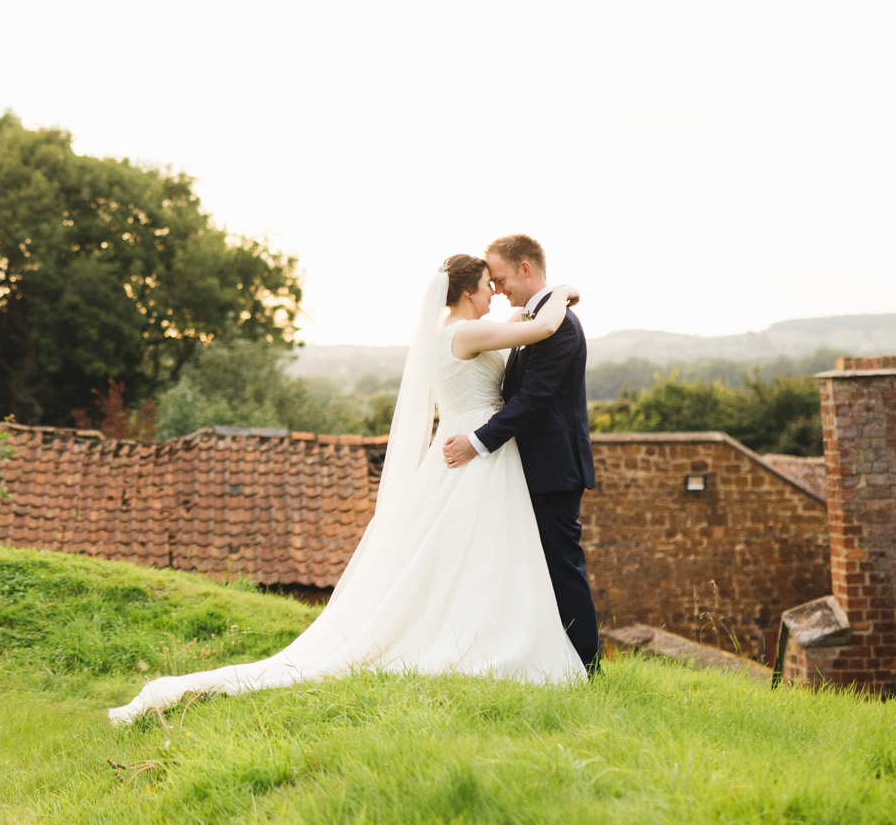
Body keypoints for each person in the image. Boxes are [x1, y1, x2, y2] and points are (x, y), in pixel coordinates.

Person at [107, 248, 587, 726]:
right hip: (475, 447)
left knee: (466, 548)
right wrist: (563, 291)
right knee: (478, 546)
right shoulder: (469, 331)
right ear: (466, 291)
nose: (494, 293)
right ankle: (488, 637)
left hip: (468, 443)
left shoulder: (446, 335)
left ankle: (481, 629)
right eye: (487, 286)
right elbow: (542, 328)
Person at [440, 233, 600, 669]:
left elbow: (533, 398)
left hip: (553, 466)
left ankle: (588, 667)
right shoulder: (535, 315)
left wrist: (476, 441)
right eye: (488, 282)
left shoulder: (560, 324)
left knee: (562, 569)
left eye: (502, 278)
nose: (498, 288)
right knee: (531, 568)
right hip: (525, 463)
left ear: (525, 269)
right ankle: (540, 655)